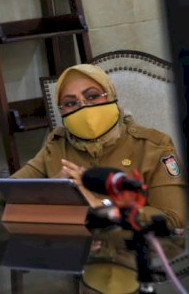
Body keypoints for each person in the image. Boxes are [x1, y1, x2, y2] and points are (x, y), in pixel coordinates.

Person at [11, 64, 187, 229]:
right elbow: (7, 195)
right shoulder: (57, 146)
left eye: (92, 96)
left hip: (137, 253)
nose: (84, 107)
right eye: (71, 103)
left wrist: (103, 210)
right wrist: (55, 190)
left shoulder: (153, 146)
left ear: (111, 97)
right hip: (75, 252)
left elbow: (175, 217)